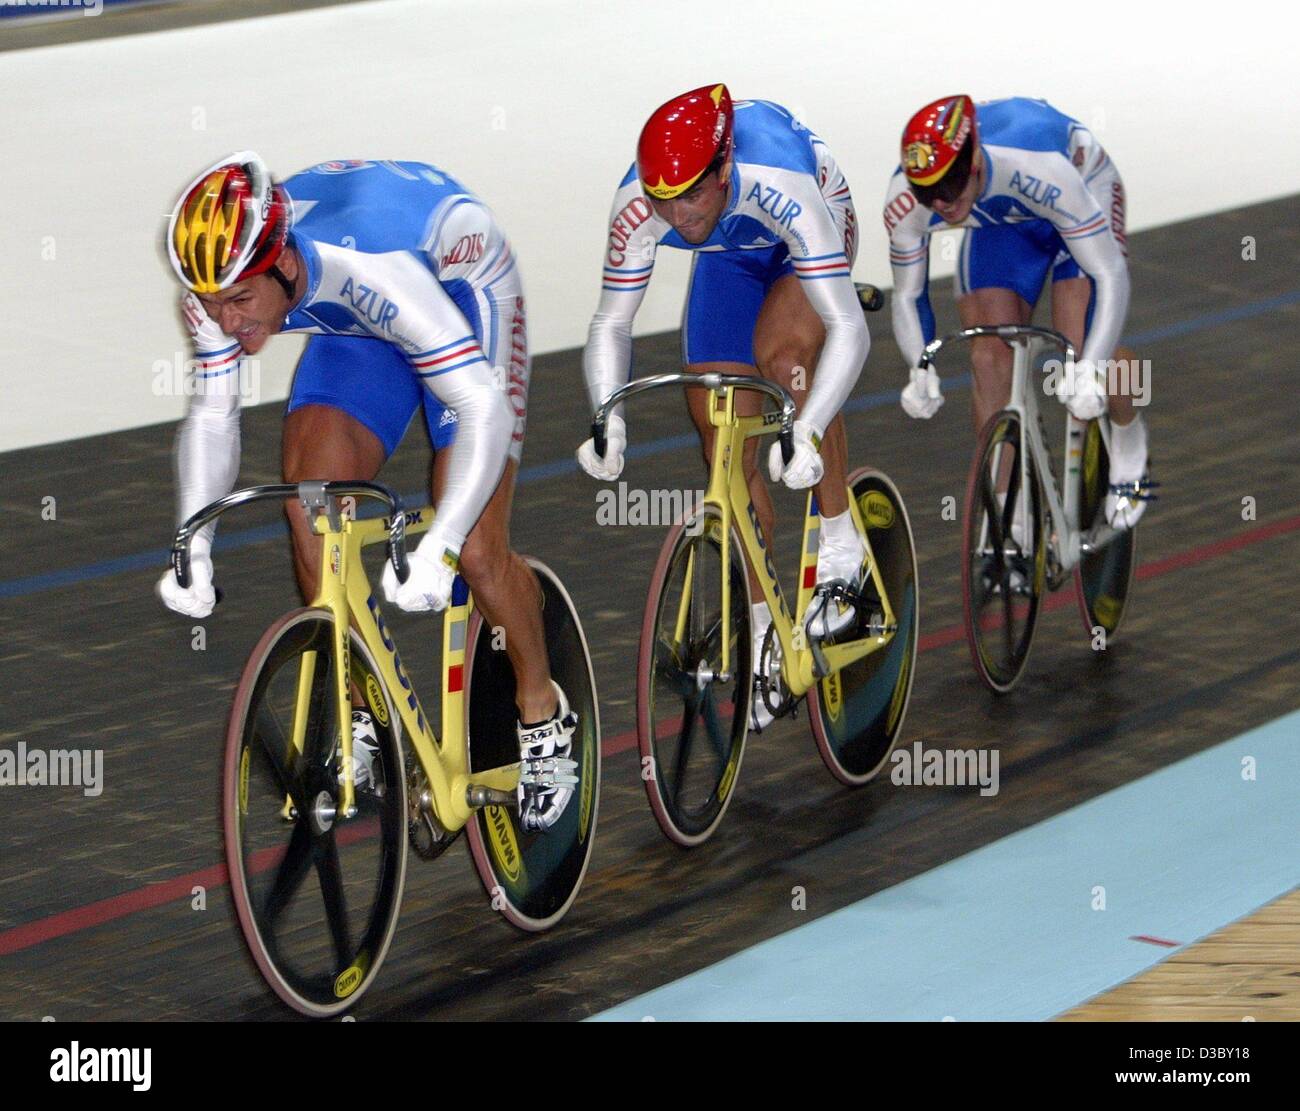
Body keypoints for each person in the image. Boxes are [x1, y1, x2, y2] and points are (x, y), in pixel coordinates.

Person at [157, 153, 574, 831]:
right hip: (356, 324)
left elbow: (483, 409)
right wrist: (193, 543)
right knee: (309, 508)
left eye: (239, 302)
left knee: (474, 548)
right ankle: (366, 712)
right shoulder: (219, 283)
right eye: (211, 304)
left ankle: (540, 708)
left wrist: (439, 546)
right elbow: (211, 413)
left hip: (456, 292)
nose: (225, 321)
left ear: (284, 265)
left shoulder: (372, 267)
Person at [576, 84, 870, 731]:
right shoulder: (643, 202)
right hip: (728, 258)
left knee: (788, 356)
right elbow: (611, 322)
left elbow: (851, 327)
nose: (676, 215)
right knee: (719, 437)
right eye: (664, 199)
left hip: (806, 237)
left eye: (691, 195)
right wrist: (607, 416)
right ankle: (766, 629)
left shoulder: (778, 179)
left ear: (724, 170)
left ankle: (842, 541)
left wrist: (810, 427)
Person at [885, 95, 1153, 529]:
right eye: (926, 192)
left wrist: (1090, 366)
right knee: (989, 357)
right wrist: (919, 367)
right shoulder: (910, 199)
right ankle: (1009, 514)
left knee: (1082, 346)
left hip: (1077, 192)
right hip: (998, 216)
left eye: (948, 188)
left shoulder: (1041, 169)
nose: (940, 205)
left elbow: (1110, 275)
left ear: (973, 162)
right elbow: (906, 295)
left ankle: (1128, 431)